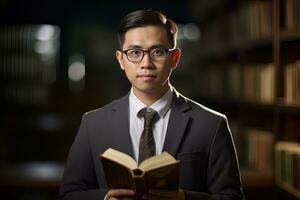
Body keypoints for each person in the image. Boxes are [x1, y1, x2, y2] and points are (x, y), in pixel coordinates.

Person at [59, 9, 245, 200]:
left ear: (175, 58)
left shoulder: (212, 125)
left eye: (157, 51)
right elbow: (68, 194)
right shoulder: (93, 123)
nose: (146, 63)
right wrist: (106, 198)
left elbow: (232, 198)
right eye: (135, 52)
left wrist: (184, 198)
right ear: (121, 59)